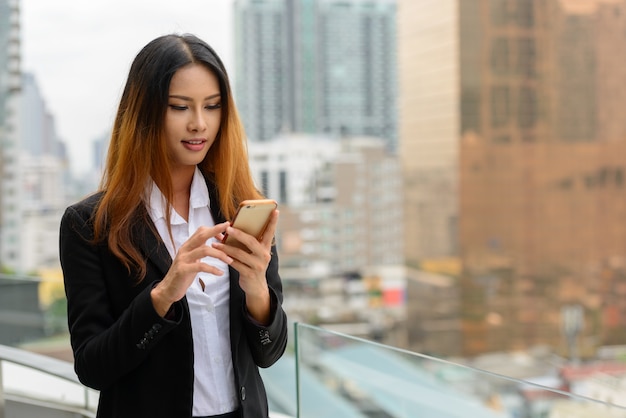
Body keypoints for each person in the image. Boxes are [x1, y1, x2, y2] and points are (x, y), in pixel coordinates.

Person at [59, 33, 288, 418]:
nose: (199, 124)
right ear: (145, 113)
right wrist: (162, 296)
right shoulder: (89, 225)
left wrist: (256, 290)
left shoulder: (238, 209)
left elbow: (269, 353)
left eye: (212, 106)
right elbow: (92, 367)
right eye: (180, 107)